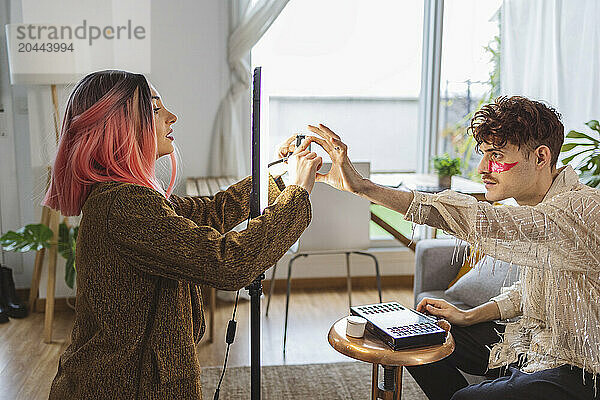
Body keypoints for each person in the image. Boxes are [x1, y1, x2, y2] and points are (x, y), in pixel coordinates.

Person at [43, 70, 322, 399]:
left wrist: (277, 171)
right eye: (156, 109)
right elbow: (228, 264)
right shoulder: (126, 204)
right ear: (120, 126)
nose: (171, 116)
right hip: (126, 388)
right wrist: (297, 195)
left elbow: (212, 212)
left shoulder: (124, 196)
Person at [306, 96, 599, 399]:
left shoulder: (580, 210)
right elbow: (528, 292)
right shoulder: (541, 209)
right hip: (530, 344)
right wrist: (469, 316)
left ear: (540, 157)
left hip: (582, 368)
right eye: (483, 154)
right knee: (417, 338)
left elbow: (481, 219)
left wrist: (364, 187)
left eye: (496, 155)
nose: (483, 168)